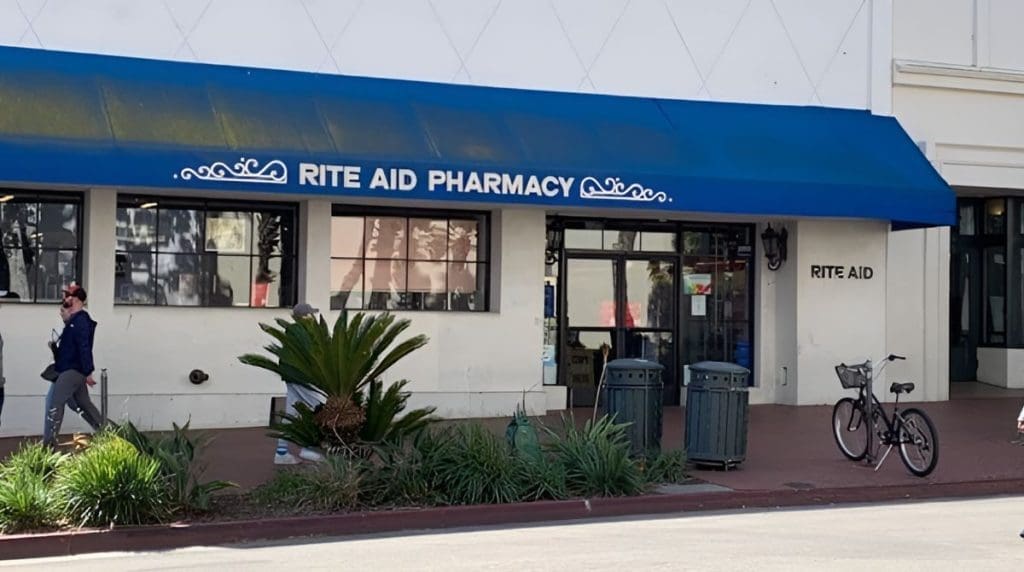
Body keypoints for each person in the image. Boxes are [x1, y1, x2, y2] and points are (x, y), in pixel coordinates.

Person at [43, 283, 103, 447]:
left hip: (71, 371)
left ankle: (48, 448)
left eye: (68, 296)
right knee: (81, 403)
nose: (65, 298)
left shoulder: (81, 321)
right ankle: (107, 434)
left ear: (76, 299)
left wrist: (88, 372)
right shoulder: (74, 320)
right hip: (72, 370)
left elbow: (84, 347)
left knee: (55, 404)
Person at [274, 302, 325, 465]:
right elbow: (312, 353)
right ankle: (309, 448)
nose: (313, 317)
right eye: (311, 314)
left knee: (291, 413)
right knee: (320, 408)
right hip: (301, 376)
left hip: (290, 376)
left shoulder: (293, 330)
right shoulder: (302, 331)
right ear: (304, 316)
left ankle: (281, 453)